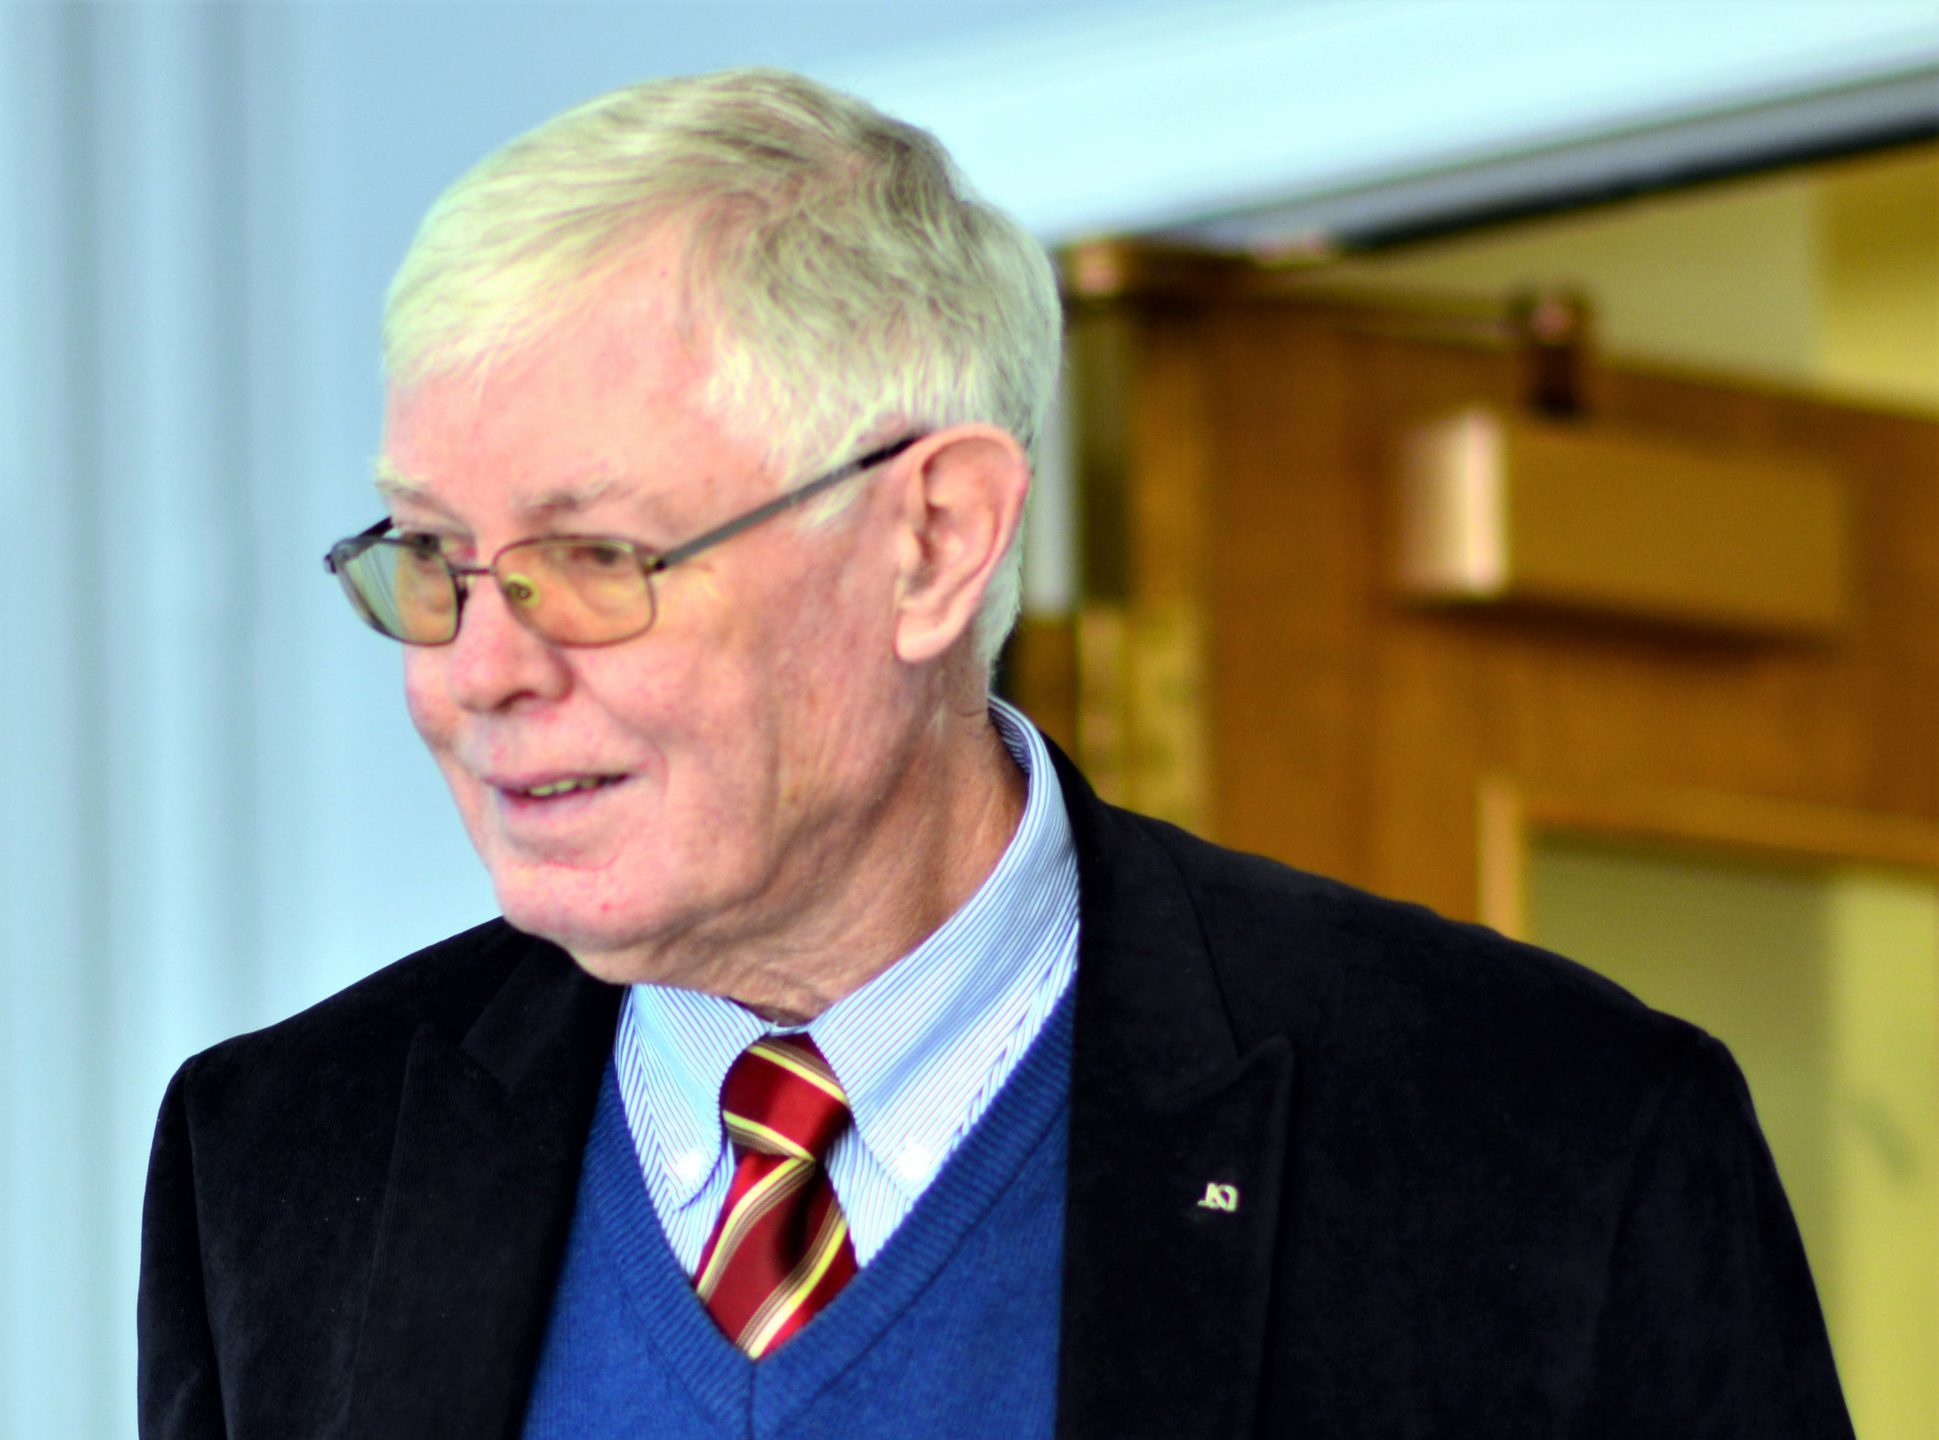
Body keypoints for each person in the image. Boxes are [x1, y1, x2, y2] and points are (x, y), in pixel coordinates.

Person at [138, 67, 1853, 1439]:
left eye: (598, 556)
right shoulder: (280, 1161)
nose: (481, 673)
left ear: (934, 541)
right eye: (436, 556)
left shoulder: (1552, 1144)